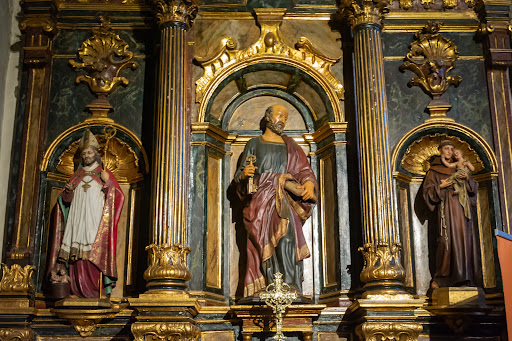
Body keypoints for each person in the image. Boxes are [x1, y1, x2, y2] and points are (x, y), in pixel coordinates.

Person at [233, 104, 318, 297]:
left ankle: (289, 286)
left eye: (285, 118)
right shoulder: (254, 143)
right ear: (268, 118)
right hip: (261, 201)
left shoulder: (291, 146)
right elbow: (240, 176)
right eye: (279, 115)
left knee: (288, 238)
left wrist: (310, 184)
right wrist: (244, 175)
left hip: (284, 199)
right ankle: (267, 285)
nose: (282, 120)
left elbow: (304, 171)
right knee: (262, 241)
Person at [47, 129, 124, 298]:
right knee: (76, 255)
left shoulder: (104, 174)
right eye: (84, 153)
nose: (87, 155)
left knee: (93, 253)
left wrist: (108, 184)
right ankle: (76, 289)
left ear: (96, 154)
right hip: (77, 221)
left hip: (95, 222)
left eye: (89, 152)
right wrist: (67, 192)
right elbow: (65, 203)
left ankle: (96, 291)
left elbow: (118, 197)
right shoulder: (76, 176)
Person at [421, 140, 479, 288]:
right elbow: (427, 193)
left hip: (462, 211)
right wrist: (440, 186)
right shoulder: (433, 171)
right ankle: (441, 278)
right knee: (445, 243)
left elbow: (473, 190)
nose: (450, 151)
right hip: (445, 212)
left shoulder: (459, 168)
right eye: (446, 148)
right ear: (440, 150)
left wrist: (467, 180)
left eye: (452, 149)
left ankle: (464, 278)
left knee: (463, 243)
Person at [441, 148, 475, 218]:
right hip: (458, 176)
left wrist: (468, 165)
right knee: (453, 180)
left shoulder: (466, 162)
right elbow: (449, 165)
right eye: (454, 154)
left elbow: (472, 169)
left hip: (463, 176)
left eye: (457, 152)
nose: (455, 154)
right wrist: (443, 159)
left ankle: (446, 181)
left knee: (453, 177)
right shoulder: (456, 163)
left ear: (462, 154)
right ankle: (456, 189)